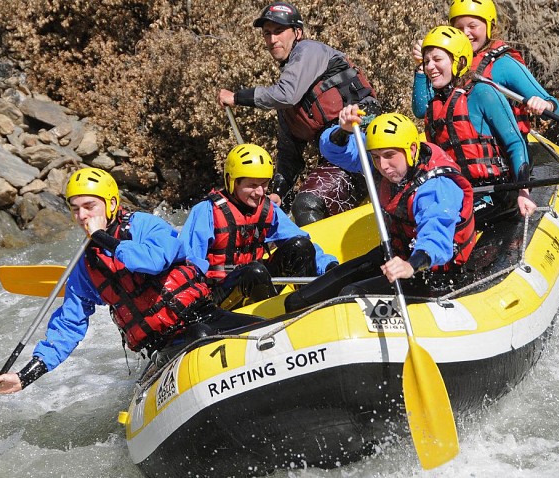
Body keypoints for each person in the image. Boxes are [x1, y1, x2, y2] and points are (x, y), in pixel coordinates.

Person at [0, 168, 260, 394]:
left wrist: (103, 239)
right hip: (163, 346)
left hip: (206, 315)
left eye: (90, 207)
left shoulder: (144, 225)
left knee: (255, 329)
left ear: (112, 203)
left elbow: (155, 261)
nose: (82, 216)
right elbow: (68, 325)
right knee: (199, 337)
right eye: (76, 209)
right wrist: (24, 376)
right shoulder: (86, 265)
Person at [285, 111, 475, 312]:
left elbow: (436, 237)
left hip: (433, 272)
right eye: (375, 157)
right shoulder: (385, 165)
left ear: (411, 150)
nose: (383, 165)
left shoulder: (436, 187)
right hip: (394, 257)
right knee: (299, 300)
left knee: (348, 297)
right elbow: (332, 150)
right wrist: (344, 130)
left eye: (389, 155)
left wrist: (410, 265)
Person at [217, 1, 380, 226]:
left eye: (279, 31)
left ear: (297, 32)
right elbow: (289, 155)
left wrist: (237, 98)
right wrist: (278, 194)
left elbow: (286, 94)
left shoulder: (308, 50)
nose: (273, 39)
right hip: (338, 160)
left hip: (370, 146)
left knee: (306, 205)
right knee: (303, 204)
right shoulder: (288, 101)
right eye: (267, 34)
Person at [180, 143, 338, 310]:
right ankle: (268, 318)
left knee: (300, 246)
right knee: (255, 272)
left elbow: (298, 240)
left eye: (264, 184)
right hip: (219, 292)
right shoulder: (206, 211)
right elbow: (188, 263)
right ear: (232, 182)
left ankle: (308, 305)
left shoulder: (267, 208)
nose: (260, 192)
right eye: (252, 186)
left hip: (257, 281)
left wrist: (328, 266)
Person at [420, 26, 537, 224]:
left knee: (451, 222)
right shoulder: (433, 110)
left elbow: (515, 143)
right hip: (464, 195)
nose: (430, 67)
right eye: (426, 62)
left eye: (437, 60)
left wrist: (523, 190)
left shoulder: (482, 93)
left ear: (460, 61)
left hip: (498, 191)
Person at [411, 0, 559, 134]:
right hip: (463, 151)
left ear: (490, 26)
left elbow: (554, 106)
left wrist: (545, 104)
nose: (465, 33)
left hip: (502, 153)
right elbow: (422, 110)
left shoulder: (503, 64)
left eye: (472, 26)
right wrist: (421, 68)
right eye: (459, 28)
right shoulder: (450, 63)